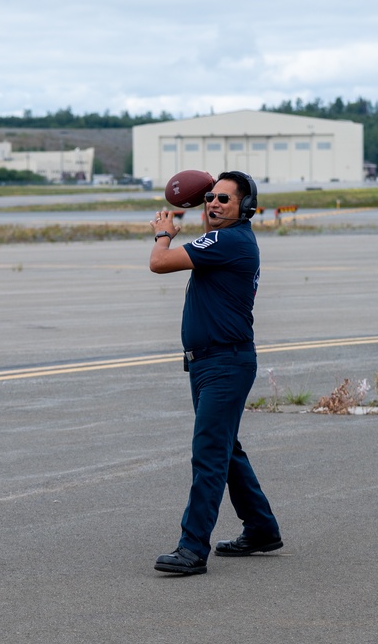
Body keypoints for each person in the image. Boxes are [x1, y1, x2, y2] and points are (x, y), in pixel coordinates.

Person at [148, 170, 282, 575]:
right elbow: (207, 227)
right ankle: (260, 528)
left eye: (225, 198)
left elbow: (159, 263)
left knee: (208, 455)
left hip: (225, 363)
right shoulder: (224, 241)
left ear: (246, 207)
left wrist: (163, 232)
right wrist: (203, 208)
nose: (214, 203)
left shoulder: (230, 241)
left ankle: (192, 549)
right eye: (209, 196)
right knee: (226, 451)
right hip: (210, 361)